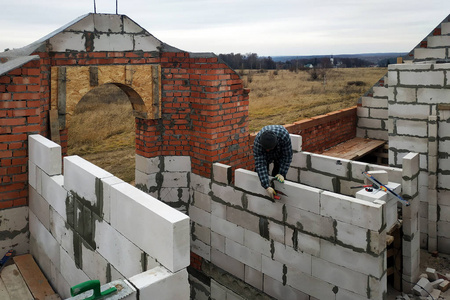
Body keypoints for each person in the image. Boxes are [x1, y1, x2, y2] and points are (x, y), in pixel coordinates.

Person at [253, 125, 292, 199]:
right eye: (266, 149)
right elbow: (260, 164)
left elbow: (287, 156)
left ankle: (278, 193)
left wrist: (282, 173)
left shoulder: (284, 137)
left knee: (277, 175)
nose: (268, 150)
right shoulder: (258, 142)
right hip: (265, 155)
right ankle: (263, 194)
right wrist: (266, 186)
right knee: (259, 173)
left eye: (269, 149)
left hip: (279, 153)